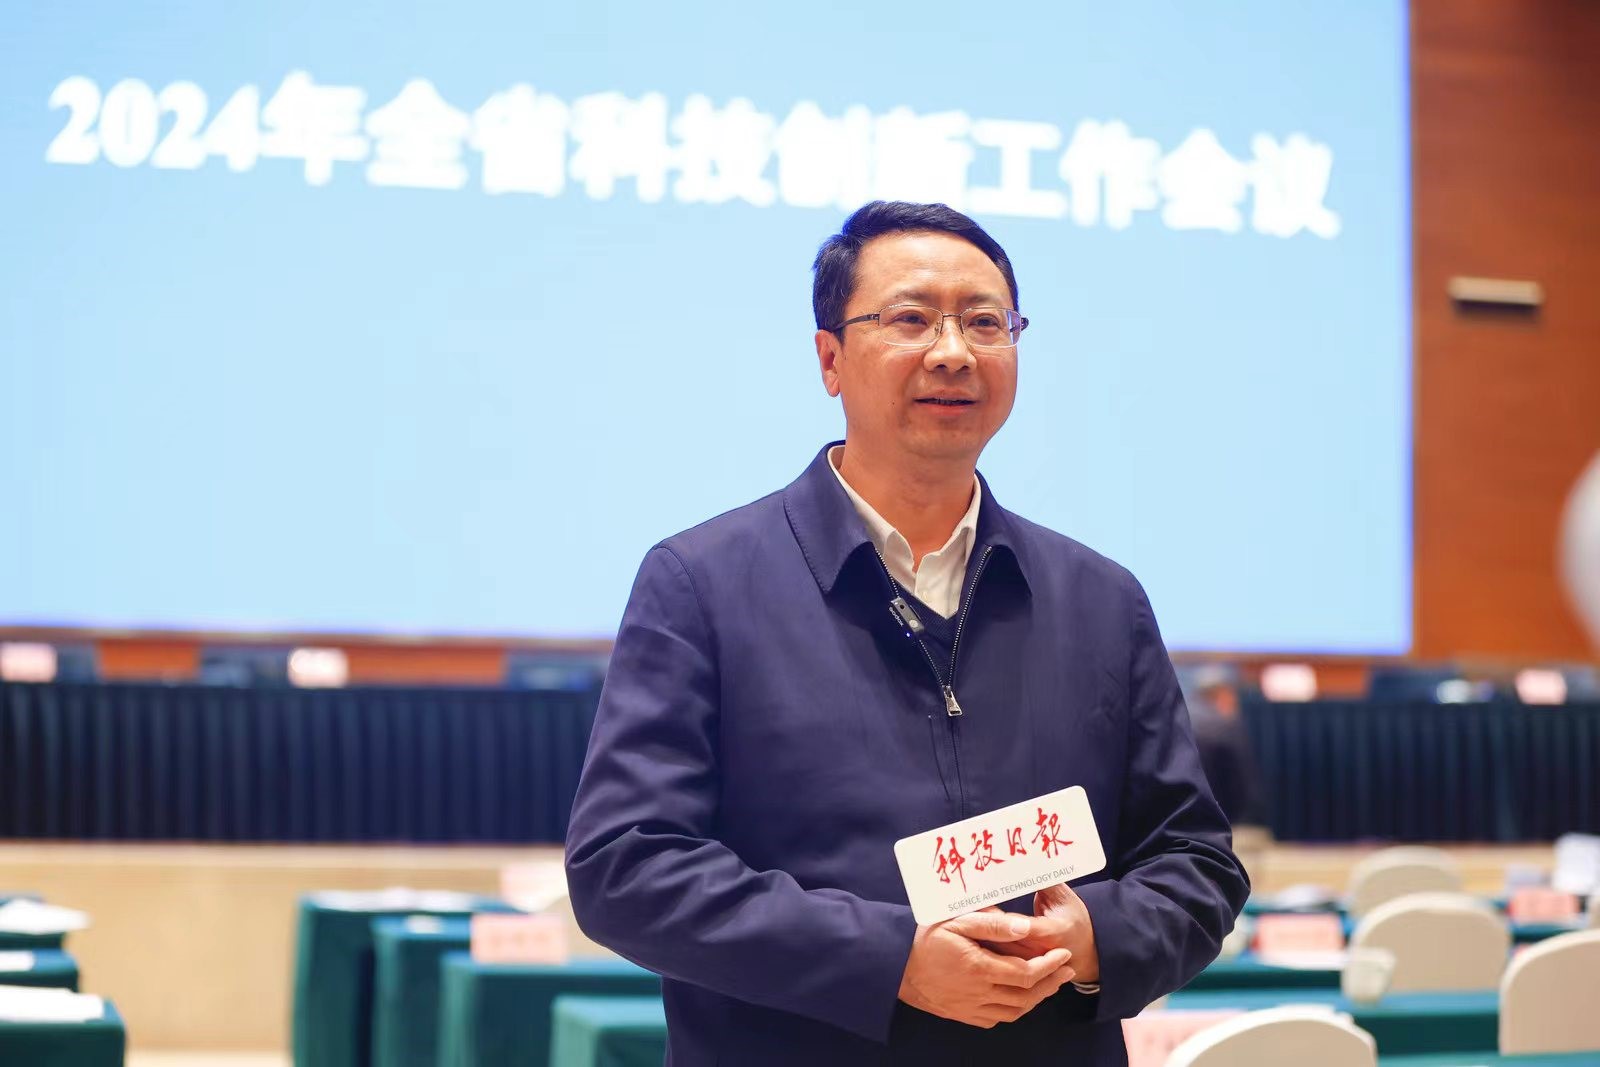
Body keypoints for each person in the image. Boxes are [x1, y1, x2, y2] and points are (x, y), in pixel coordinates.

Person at [565, 201, 1249, 1065]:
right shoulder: (701, 583)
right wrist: (890, 961)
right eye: (911, 319)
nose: (953, 351)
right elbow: (626, 865)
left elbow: (1195, 860)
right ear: (830, 359)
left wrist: (1094, 939)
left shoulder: (1101, 600)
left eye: (985, 322)